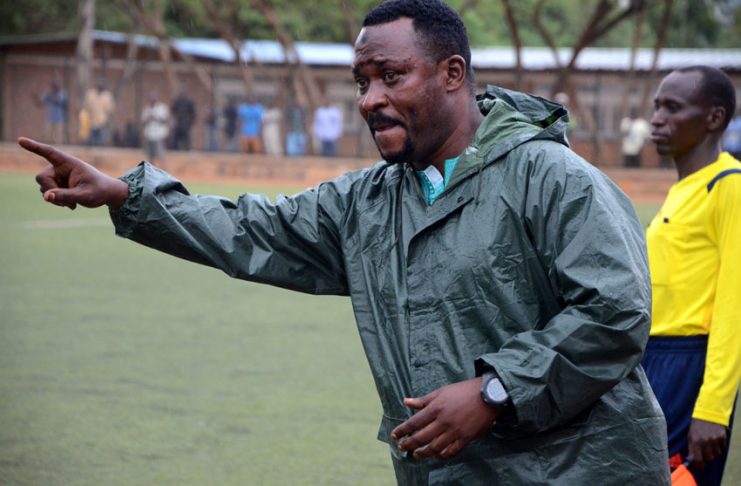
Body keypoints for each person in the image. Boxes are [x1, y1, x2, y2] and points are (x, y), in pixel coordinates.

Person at [20, 1, 670, 483]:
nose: (369, 99)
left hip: (579, 471)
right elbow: (252, 229)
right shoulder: (367, 201)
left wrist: (493, 392)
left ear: (452, 74)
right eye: (362, 82)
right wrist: (127, 195)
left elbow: (615, 310)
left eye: (390, 76)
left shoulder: (551, 177)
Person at [643, 65, 741, 486]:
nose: (657, 119)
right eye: (657, 107)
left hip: (688, 362)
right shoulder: (684, 189)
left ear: (714, 118)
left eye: (673, 107)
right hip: (651, 357)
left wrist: (713, 408)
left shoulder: (729, 186)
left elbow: (734, 304)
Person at [83, 78, 115, 146]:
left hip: (102, 122)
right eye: (99, 85)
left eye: (102, 85)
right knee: (91, 143)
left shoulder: (107, 96)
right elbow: (86, 106)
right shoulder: (91, 94)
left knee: (101, 143)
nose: (100, 86)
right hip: (91, 121)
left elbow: (110, 109)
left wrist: (108, 120)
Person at [141, 91, 170, 166]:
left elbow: (165, 120)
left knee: (160, 155)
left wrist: (156, 118)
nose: (152, 99)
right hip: (149, 134)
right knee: (150, 156)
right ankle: (152, 170)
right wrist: (148, 118)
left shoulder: (161, 108)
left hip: (158, 135)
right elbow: (143, 122)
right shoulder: (147, 109)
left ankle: (164, 170)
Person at [38, 79, 68, 144]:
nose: (55, 87)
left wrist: (50, 95)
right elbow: (41, 102)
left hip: (59, 118)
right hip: (50, 117)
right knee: (48, 136)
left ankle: (59, 147)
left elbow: (59, 101)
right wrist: (35, 98)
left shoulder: (62, 93)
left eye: (56, 85)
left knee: (59, 137)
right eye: (54, 85)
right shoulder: (48, 93)